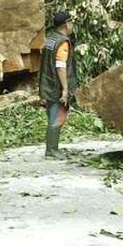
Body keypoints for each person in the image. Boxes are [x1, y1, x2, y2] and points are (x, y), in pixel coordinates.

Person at [38, 10, 77, 159]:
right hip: (56, 87)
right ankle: (52, 150)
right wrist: (65, 89)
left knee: (52, 116)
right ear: (66, 24)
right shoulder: (62, 42)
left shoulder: (50, 39)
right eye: (71, 22)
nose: (72, 25)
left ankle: (53, 148)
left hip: (47, 83)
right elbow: (60, 66)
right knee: (57, 117)